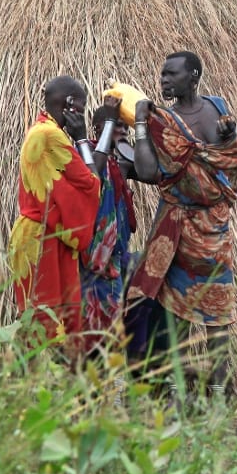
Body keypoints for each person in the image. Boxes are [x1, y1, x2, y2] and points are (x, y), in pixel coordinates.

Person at [126, 51, 237, 398]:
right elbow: (148, 172)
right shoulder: (163, 121)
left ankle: (218, 391)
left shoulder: (218, 107)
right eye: (163, 74)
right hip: (178, 232)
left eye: (172, 74)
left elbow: (236, 158)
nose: (164, 80)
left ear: (193, 76)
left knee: (219, 318)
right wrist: (140, 124)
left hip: (215, 231)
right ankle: (171, 391)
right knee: (172, 313)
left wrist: (230, 137)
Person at [7, 76, 103, 355]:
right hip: (44, 240)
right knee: (48, 328)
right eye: (81, 107)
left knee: (39, 323)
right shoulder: (50, 136)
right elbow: (91, 184)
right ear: (70, 103)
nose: (82, 114)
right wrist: (82, 138)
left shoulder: (39, 130)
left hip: (34, 235)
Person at [79, 99, 138, 354]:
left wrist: (143, 128)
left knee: (113, 332)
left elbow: (153, 171)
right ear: (98, 129)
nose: (123, 130)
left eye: (126, 126)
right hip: (93, 261)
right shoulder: (86, 155)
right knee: (94, 333)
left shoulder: (119, 162)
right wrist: (111, 121)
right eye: (116, 125)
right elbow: (94, 173)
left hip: (115, 260)